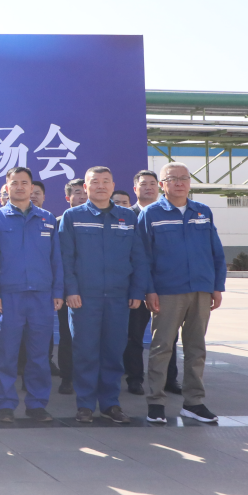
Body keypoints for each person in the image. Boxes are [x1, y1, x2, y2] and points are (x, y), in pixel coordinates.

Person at [59, 166, 148, 424]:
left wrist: (137, 290)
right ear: (85, 187)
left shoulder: (127, 217)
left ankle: (110, 403)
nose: (100, 186)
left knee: (113, 351)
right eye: (94, 182)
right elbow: (65, 258)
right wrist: (71, 291)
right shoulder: (73, 216)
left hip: (119, 297)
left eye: (106, 181)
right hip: (84, 298)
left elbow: (138, 257)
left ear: (113, 186)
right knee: (85, 352)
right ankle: (85, 404)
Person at [138, 162, 224, 425]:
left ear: (189, 182)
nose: (179, 182)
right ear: (162, 185)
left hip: (200, 289)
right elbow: (142, 256)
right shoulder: (151, 214)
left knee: (196, 347)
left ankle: (194, 402)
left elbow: (216, 251)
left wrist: (217, 286)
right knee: (162, 347)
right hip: (167, 290)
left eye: (184, 178)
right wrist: (149, 289)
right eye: (172, 178)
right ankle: (156, 403)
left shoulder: (203, 212)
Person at [0, 166, 64, 422]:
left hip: (42, 296)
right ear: (6, 187)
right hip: (9, 297)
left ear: (32, 187)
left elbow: (56, 259)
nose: (19, 187)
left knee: (39, 356)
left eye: (24, 183)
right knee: (7, 355)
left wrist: (58, 291)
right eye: (14, 183)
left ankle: (36, 405)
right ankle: (6, 405)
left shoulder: (47, 218)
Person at [126, 170, 180, 395]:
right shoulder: (127, 216)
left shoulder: (169, 213)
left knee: (168, 336)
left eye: (152, 184)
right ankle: (134, 379)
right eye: (143, 184)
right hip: (136, 286)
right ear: (135, 189)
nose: (148, 187)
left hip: (164, 285)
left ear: (158, 187)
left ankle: (169, 379)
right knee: (134, 336)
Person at [52, 177, 89, 393]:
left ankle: (89, 378)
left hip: (93, 288)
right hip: (67, 289)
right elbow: (57, 259)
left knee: (92, 337)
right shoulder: (58, 222)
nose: (82, 196)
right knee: (67, 335)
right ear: (68, 197)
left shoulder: (100, 219)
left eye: (84, 191)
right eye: (77, 192)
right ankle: (67, 378)